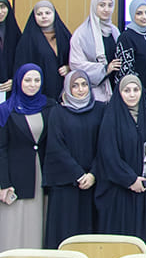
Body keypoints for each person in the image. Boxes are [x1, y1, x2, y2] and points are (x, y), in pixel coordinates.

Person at [96, 73, 146, 253]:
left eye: (136, 90)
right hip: (120, 195)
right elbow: (108, 156)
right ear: (119, 93)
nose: (132, 94)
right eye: (127, 90)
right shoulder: (111, 117)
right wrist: (130, 180)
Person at [0, 64, 49, 256]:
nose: (32, 84)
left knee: (37, 223)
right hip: (15, 178)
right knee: (14, 226)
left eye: (37, 80)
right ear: (18, 81)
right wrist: (3, 182)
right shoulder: (5, 110)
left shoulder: (49, 106)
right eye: (27, 80)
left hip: (41, 175)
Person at [43, 68, 102, 248]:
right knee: (64, 235)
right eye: (75, 86)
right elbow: (56, 147)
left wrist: (93, 174)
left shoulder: (101, 110)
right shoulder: (57, 112)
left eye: (84, 84)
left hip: (93, 184)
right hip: (66, 185)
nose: (81, 89)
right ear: (68, 88)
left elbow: (105, 145)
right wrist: (78, 174)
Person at [69, 0, 123, 102]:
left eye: (110, 5)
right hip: (94, 93)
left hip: (115, 87)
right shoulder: (82, 34)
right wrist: (104, 69)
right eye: (102, 5)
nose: (106, 9)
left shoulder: (114, 31)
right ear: (94, 6)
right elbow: (75, 64)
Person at [16, 0, 71, 102]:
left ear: (54, 14)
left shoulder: (64, 36)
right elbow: (21, 65)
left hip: (63, 89)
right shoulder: (28, 39)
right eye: (39, 14)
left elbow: (74, 58)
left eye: (47, 13)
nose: (44, 16)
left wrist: (69, 67)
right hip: (38, 88)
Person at [118, 0, 146, 92]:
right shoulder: (126, 38)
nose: (144, 17)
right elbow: (126, 73)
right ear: (132, 14)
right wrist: (141, 91)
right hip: (135, 92)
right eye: (139, 13)